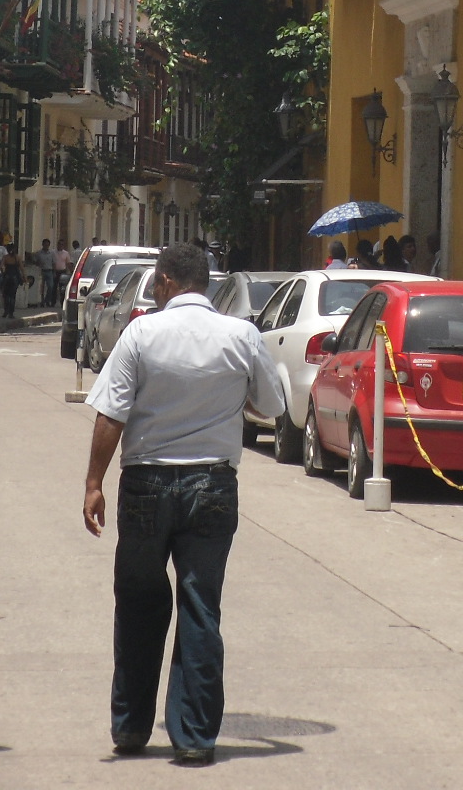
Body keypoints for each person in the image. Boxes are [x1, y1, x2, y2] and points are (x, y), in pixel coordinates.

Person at [82, 244, 284, 765]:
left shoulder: (142, 334)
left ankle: (130, 728)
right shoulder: (241, 335)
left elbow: (111, 414)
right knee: (200, 606)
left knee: (139, 604)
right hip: (213, 486)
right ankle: (194, 736)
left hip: (147, 483)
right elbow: (272, 404)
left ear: (168, 281)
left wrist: (93, 483)